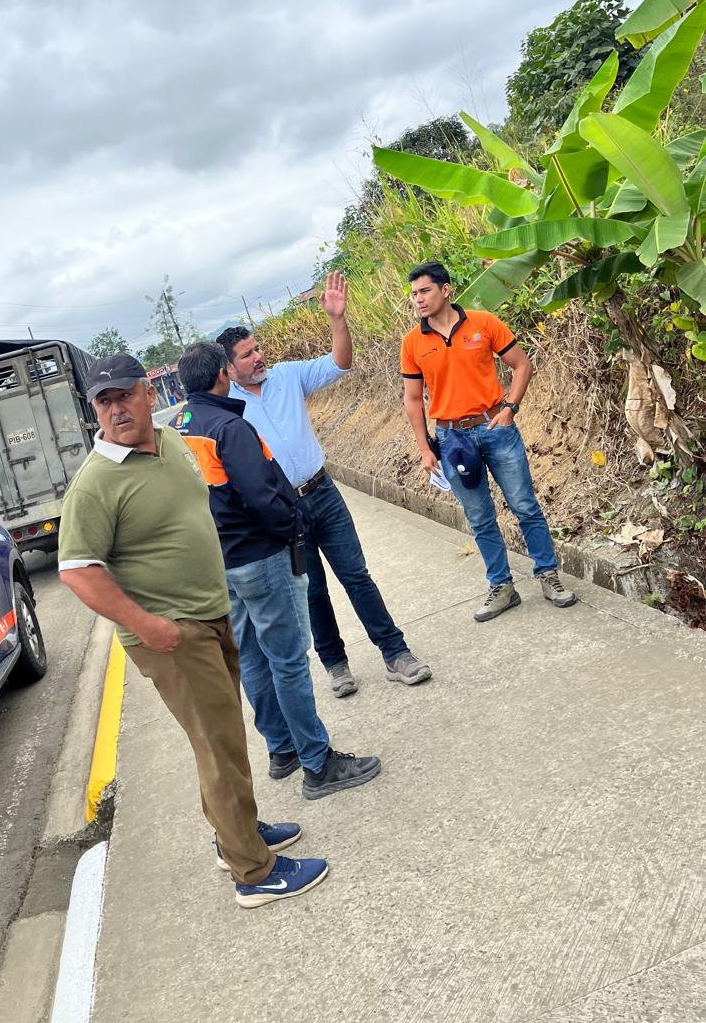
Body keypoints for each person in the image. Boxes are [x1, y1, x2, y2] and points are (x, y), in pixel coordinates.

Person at [57, 354, 328, 909]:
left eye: (124, 395)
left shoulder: (171, 442)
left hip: (210, 614)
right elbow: (78, 571)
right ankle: (254, 871)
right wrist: (147, 626)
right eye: (104, 402)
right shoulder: (95, 483)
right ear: (94, 410)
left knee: (223, 738)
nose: (116, 409)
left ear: (147, 393)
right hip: (173, 635)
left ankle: (237, 834)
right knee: (218, 748)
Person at [174, 341, 382, 798]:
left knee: (251, 656)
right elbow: (261, 495)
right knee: (288, 660)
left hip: (222, 560)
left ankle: (282, 749)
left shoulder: (180, 428)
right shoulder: (229, 427)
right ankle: (317, 763)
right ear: (222, 375)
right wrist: (293, 526)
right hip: (259, 557)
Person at [217, 271, 431, 699]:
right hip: (284, 512)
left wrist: (337, 320)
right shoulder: (228, 409)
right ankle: (336, 664)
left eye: (257, 348)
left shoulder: (288, 376)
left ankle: (395, 653)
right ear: (228, 368)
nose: (259, 356)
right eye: (247, 354)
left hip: (323, 494)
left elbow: (340, 363)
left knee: (357, 576)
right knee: (312, 591)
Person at [401, 261, 578, 621]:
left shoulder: (483, 323)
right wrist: (424, 448)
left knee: (524, 506)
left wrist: (510, 408)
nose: (418, 299)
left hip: (495, 428)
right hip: (451, 438)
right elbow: (412, 398)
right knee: (480, 517)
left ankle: (548, 575)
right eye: (414, 293)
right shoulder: (412, 342)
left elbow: (522, 365)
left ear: (445, 290)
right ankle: (502, 587)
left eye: (425, 291)